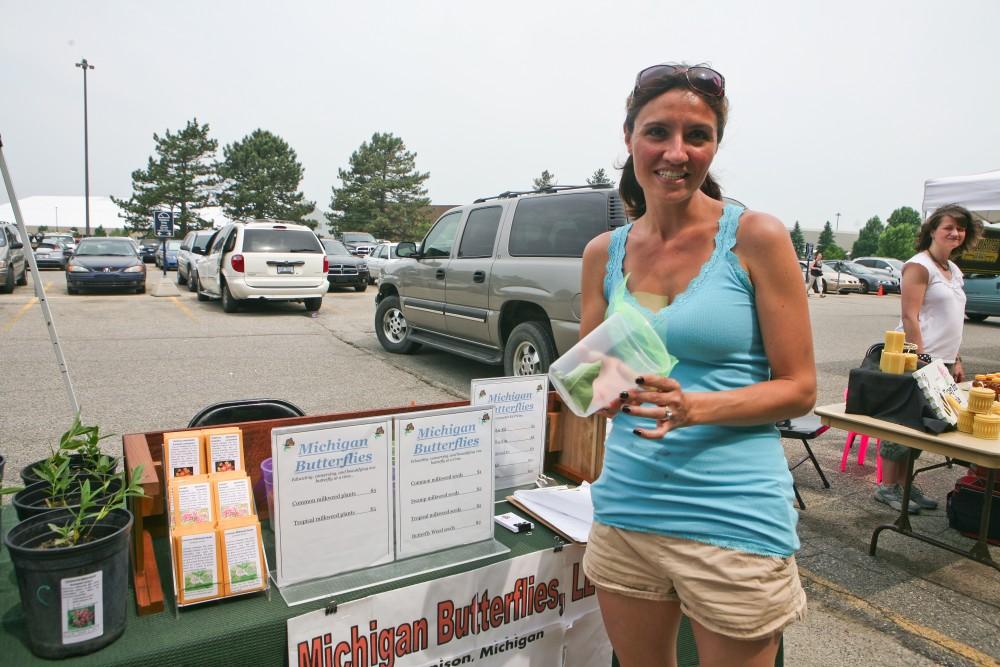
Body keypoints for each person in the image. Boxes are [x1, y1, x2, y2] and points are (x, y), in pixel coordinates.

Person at [579, 63, 817, 666]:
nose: (676, 153)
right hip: (626, 512)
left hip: (732, 518)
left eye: (698, 136)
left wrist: (696, 407)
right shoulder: (603, 254)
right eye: (658, 132)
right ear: (629, 137)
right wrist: (588, 393)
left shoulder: (755, 236)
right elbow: (596, 380)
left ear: (715, 146)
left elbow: (800, 389)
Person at [874, 204, 981, 513]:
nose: (955, 233)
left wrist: (955, 359)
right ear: (932, 229)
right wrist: (922, 358)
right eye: (948, 227)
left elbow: (954, 319)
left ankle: (905, 485)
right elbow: (910, 316)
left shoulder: (953, 269)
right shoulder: (919, 266)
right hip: (916, 359)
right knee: (902, 424)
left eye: (960, 229)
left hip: (942, 361)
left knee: (924, 426)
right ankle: (887, 487)